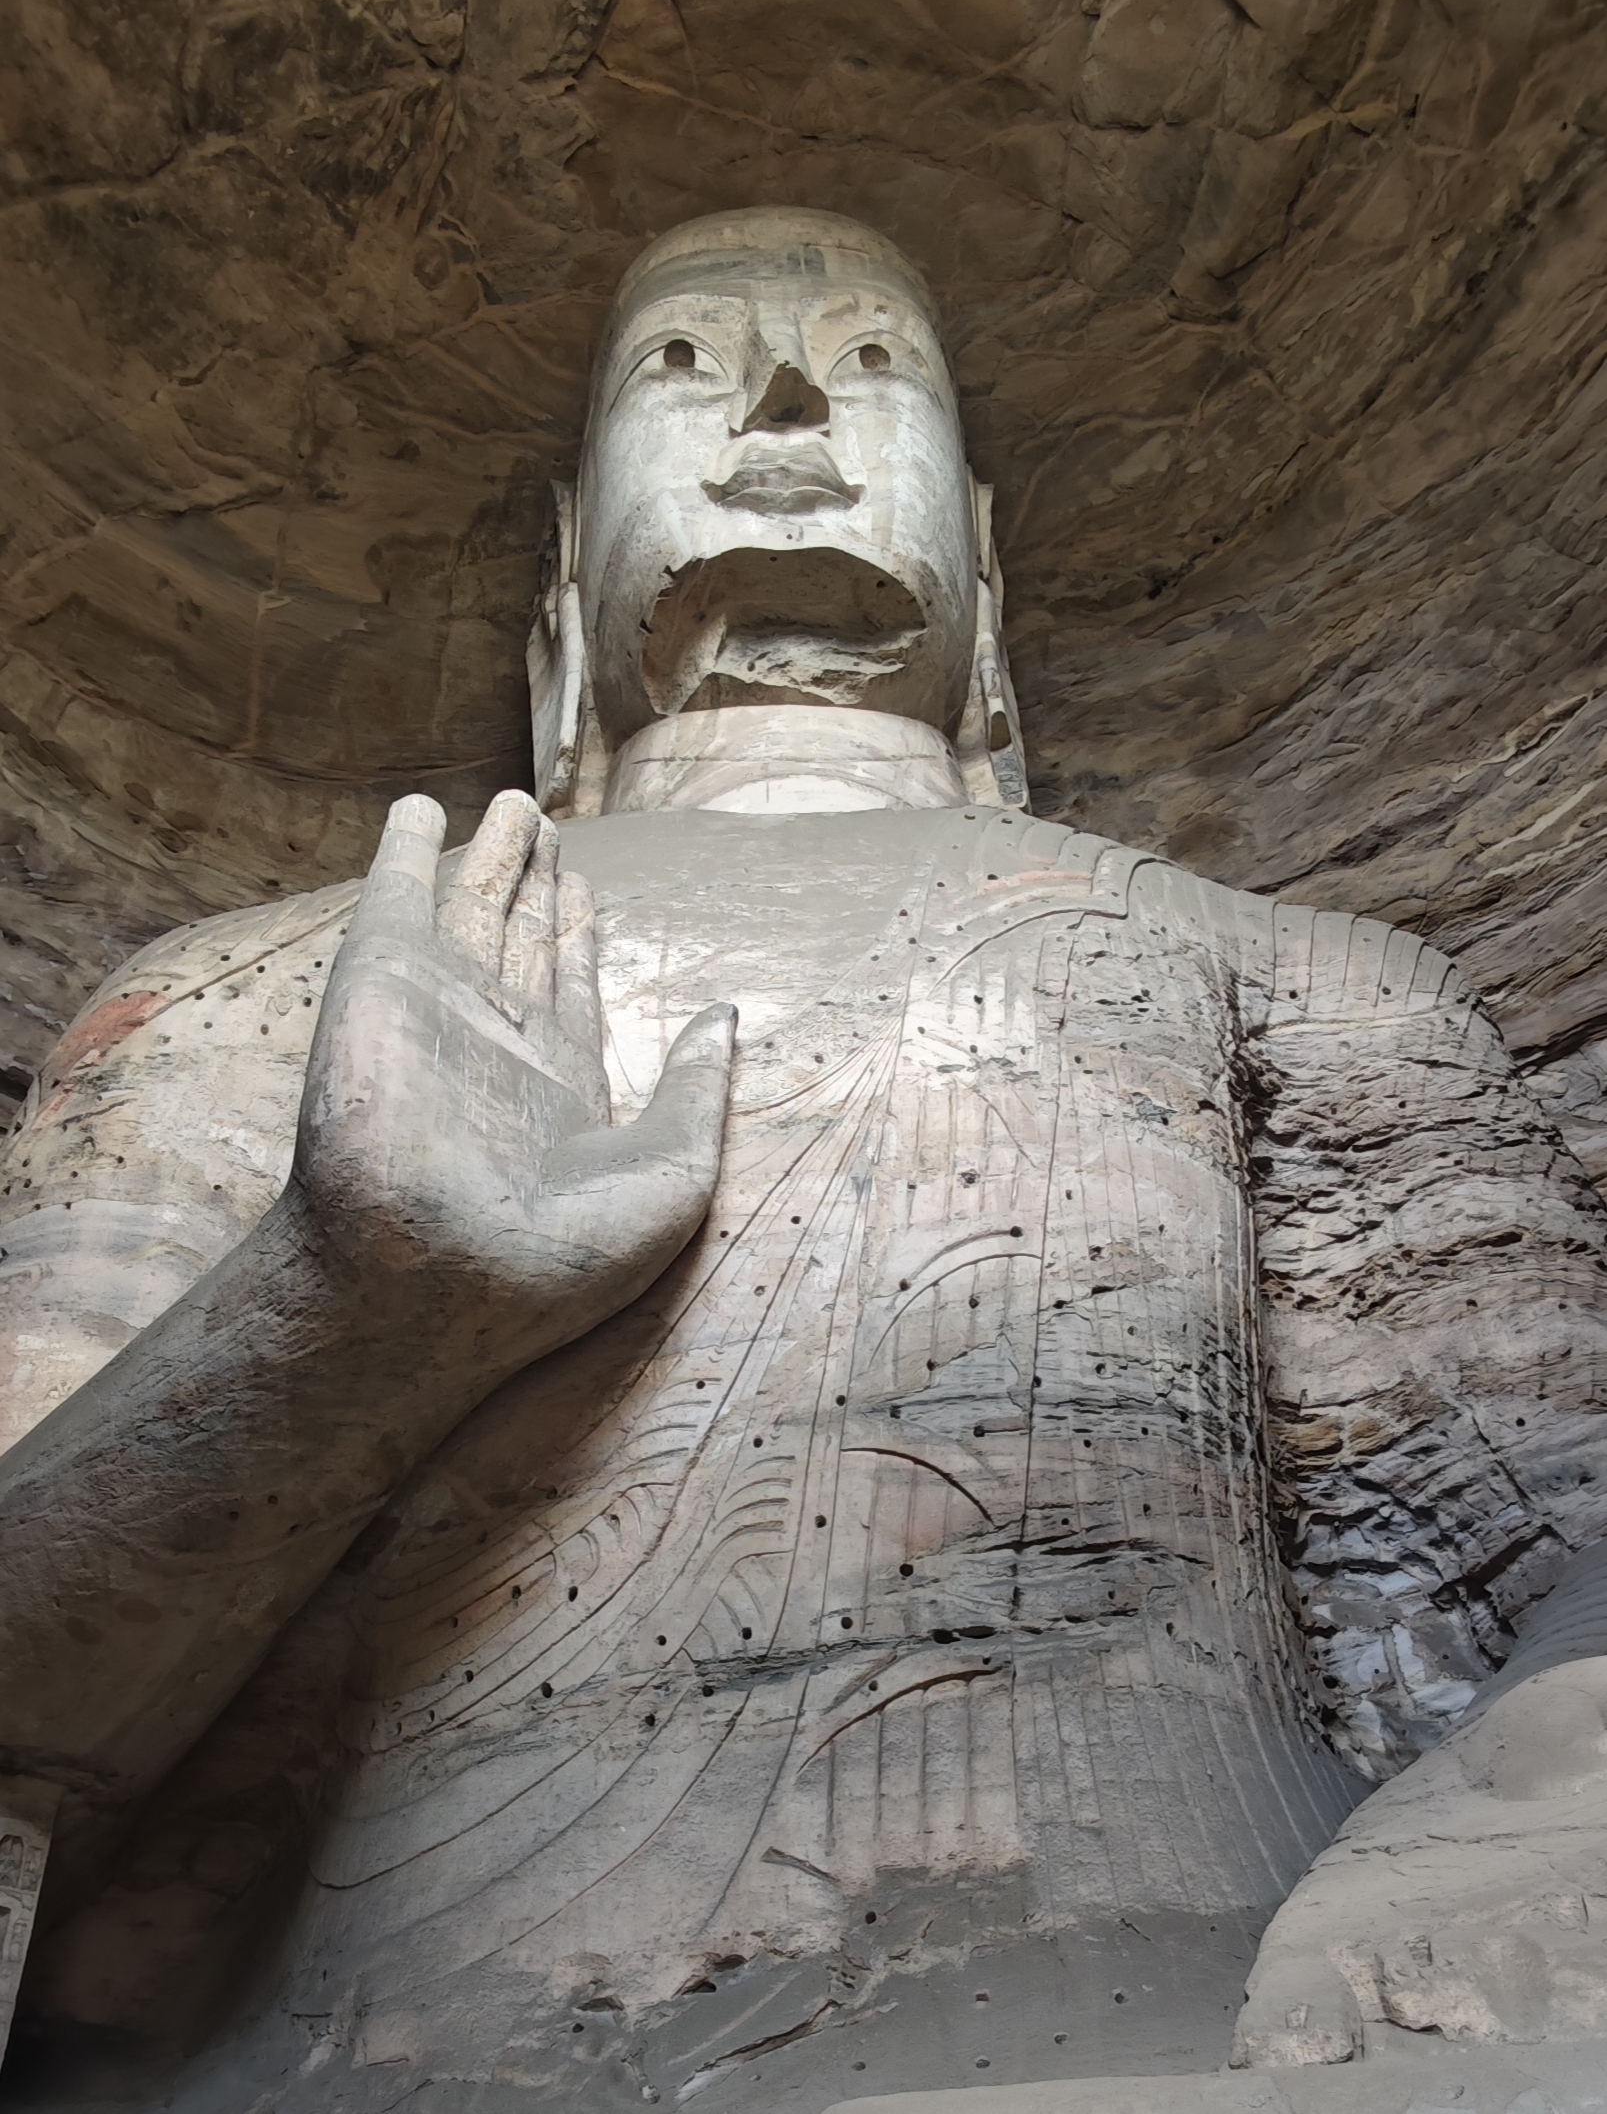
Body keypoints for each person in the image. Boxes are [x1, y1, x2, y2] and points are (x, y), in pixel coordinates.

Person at [2, 209, 1604, 2105]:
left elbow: (1550, 1556)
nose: (782, 407)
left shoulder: (1299, 974)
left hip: (1206, 2052)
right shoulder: (278, 986)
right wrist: (349, 1305)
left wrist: (1530, 1826)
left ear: (985, 569)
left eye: (869, 364)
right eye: (684, 363)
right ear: (563, 589)